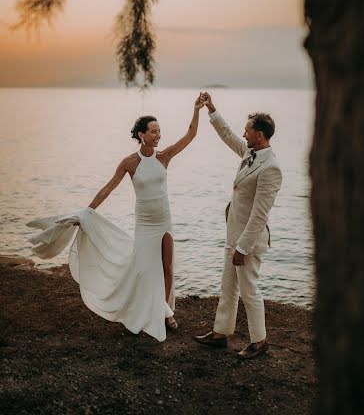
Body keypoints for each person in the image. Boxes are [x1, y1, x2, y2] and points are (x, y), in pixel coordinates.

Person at [28, 94, 205, 342]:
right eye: (153, 131)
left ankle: (165, 312)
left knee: (167, 268)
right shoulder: (129, 163)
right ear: (141, 135)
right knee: (144, 270)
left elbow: (191, 134)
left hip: (164, 221)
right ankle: (142, 309)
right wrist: (88, 211)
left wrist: (196, 109)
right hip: (144, 225)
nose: (158, 135)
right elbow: (108, 188)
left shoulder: (164, 156)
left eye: (159, 131)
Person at [194, 92, 282, 359]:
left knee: (249, 291)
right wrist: (211, 110)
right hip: (233, 234)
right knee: (228, 286)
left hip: (248, 241)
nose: (243, 134)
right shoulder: (250, 153)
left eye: (248, 130)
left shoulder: (270, 168)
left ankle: (259, 341)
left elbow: (259, 214)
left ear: (260, 134)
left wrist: (242, 247)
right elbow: (228, 136)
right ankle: (221, 333)